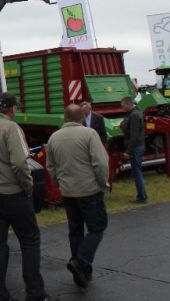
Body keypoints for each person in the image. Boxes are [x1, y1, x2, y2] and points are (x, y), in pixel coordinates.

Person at [0, 92, 54, 301]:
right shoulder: (11, 128)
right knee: (30, 240)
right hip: (14, 193)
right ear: (12, 108)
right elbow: (19, 163)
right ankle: (35, 293)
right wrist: (28, 186)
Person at [46, 104, 109, 289]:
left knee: (75, 230)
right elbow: (100, 163)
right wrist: (103, 183)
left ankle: (81, 272)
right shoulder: (89, 134)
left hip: (68, 191)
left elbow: (51, 165)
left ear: (64, 117)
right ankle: (81, 261)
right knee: (97, 227)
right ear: (82, 118)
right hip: (89, 190)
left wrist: (58, 182)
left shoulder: (54, 137)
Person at [121, 96, 147, 203]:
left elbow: (135, 136)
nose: (122, 107)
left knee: (137, 173)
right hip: (137, 146)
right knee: (137, 172)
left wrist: (128, 151)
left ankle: (142, 197)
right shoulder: (134, 113)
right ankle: (142, 195)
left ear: (129, 104)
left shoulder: (134, 115)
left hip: (136, 148)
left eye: (123, 105)